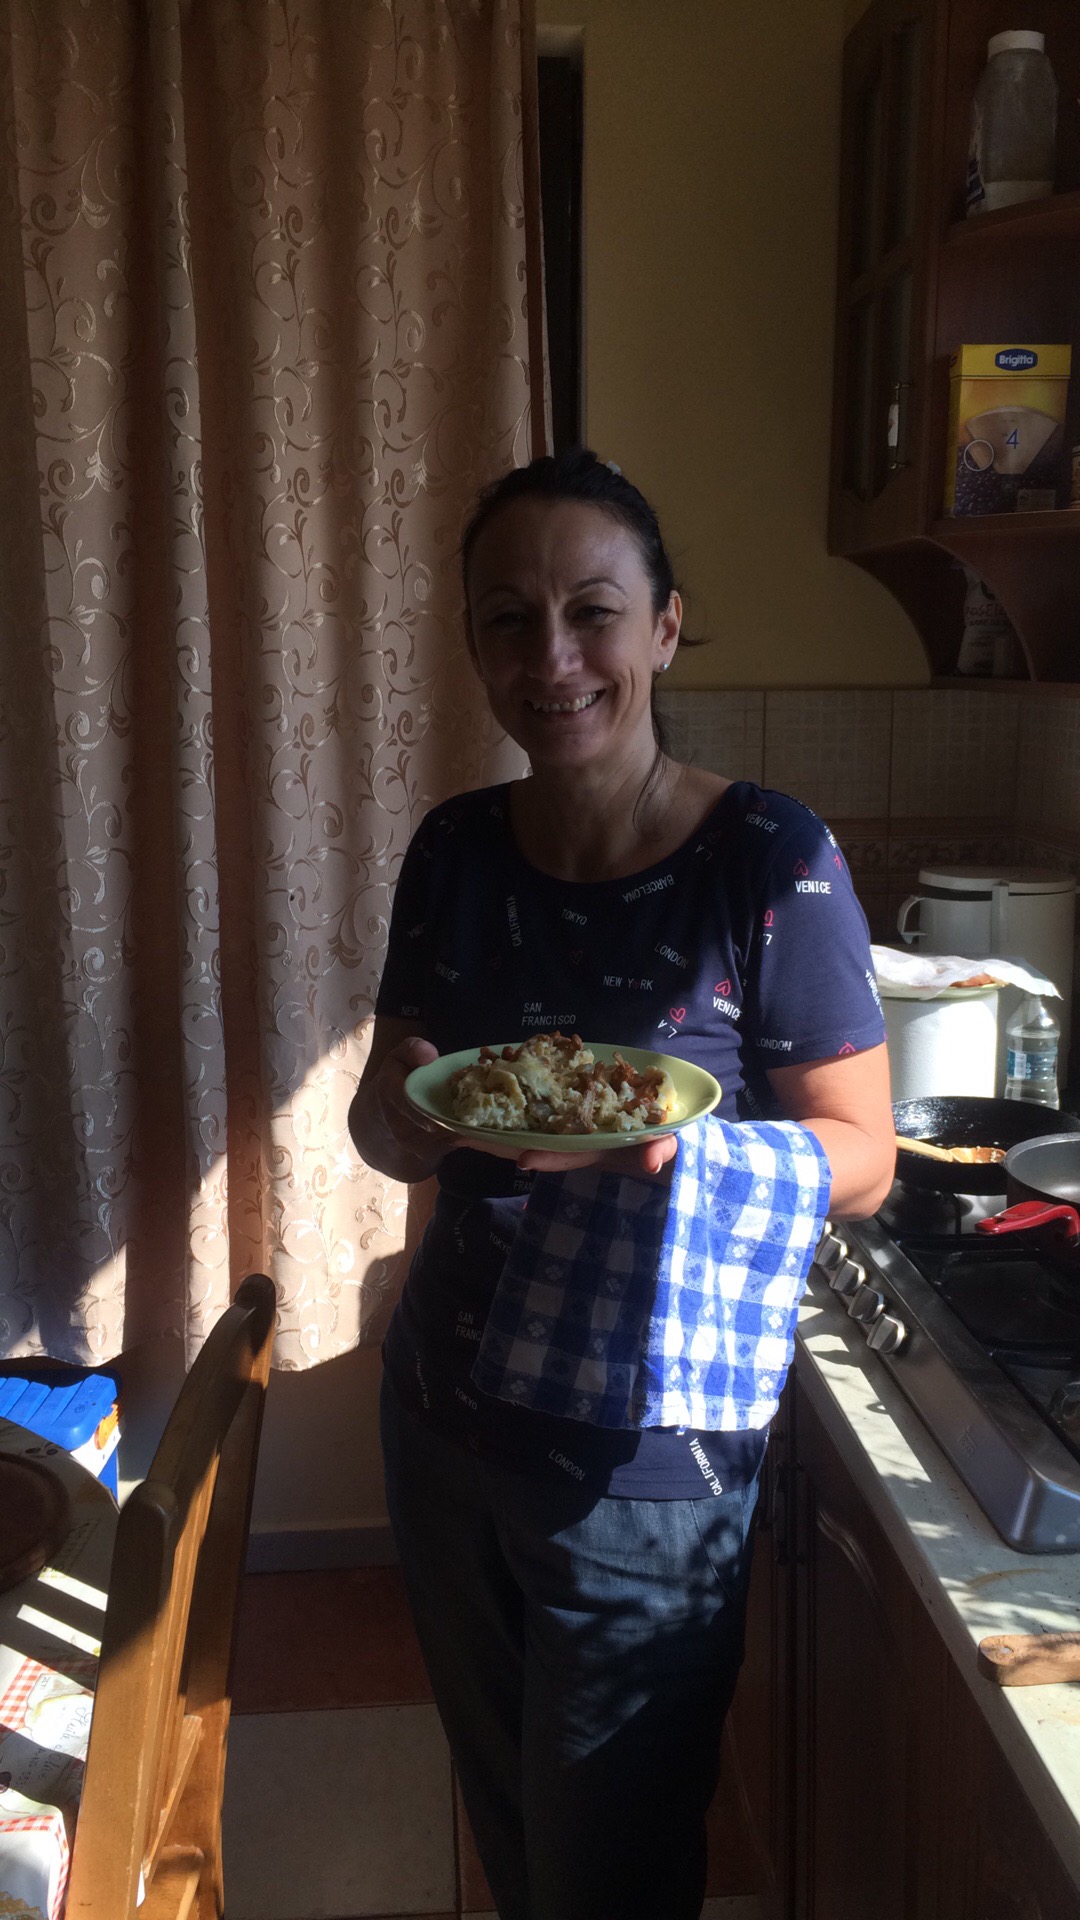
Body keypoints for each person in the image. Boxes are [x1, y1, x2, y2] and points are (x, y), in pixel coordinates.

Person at [349, 448, 895, 1920]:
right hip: (445, 1417)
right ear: (474, 646)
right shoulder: (454, 850)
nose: (554, 658)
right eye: (509, 619)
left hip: (646, 1462)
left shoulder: (767, 857)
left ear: (664, 627)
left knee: (616, 1867)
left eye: (593, 611)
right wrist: (402, 1114)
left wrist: (685, 1157)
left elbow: (864, 1157)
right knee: (514, 1832)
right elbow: (389, 1126)